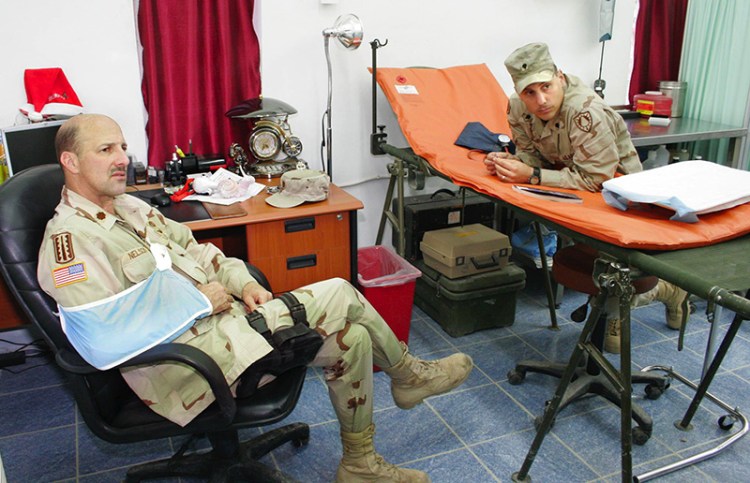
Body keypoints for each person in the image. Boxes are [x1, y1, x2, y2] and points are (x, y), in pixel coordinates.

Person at [38, 113, 473, 482]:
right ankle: (410, 375)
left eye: (123, 147)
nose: (122, 159)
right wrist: (200, 304)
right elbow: (101, 338)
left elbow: (201, 253)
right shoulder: (71, 241)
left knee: (354, 338)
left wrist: (240, 280)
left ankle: (360, 464)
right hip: (184, 366)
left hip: (222, 333)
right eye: (106, 150)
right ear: (70, 161)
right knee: (340, 291)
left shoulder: (132, 208)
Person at [483, 42, 689, 353]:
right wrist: (510, 163)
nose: (540, 100)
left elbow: (596, 179)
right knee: (594, 272)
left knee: (613, 337)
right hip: (571, 190)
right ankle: (616, 304)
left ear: (560, 77)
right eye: (530, 93)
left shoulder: (586, 112)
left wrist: (533, 176)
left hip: (618, 197)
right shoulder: (517, 106)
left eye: (546, 87)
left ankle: (665, 291)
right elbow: (530, 154)